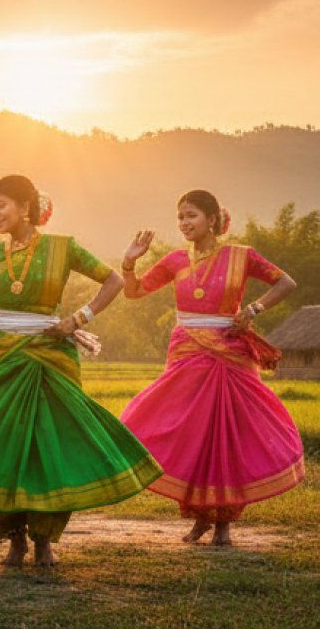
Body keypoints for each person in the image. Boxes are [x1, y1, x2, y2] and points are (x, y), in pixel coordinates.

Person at [0, 175, 161, 567]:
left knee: (49, 443)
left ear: (25, 206)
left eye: (1, 205)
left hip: (52, 354)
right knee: (2, 442)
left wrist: (78, 319)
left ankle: (44, 539)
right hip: (1, 354)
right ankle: (13, 537)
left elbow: (114, 280)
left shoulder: (62, 247)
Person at [120, 189, 302, 546]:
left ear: (213, 219)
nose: (185, 223)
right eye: (180, 217)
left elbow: (286, 282)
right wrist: (129, 263)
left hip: (231, 355)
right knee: (192, 434)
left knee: (226, 435)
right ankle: (199, 518)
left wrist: (253, 310)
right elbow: (134, 292)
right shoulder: (174, 260)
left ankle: (223, 523)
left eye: (192, 216)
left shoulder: (241, 256)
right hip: (187, 354)